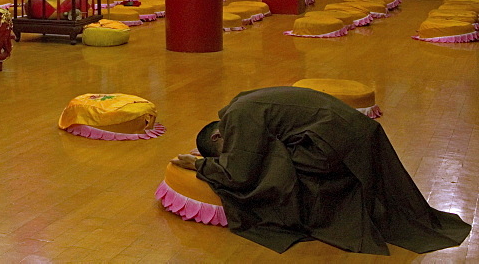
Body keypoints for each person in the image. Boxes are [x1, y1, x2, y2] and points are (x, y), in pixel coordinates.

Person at [172, 86, 471, 255]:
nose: (229, 151)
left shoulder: (237, 117)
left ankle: (314, 217)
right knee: (274, 157)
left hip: (335, 141)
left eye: (224, 149)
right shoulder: (240, 101)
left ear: (217, 137)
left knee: (276, 172)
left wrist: (202, 164)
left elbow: (240, 171)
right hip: (350, 129)